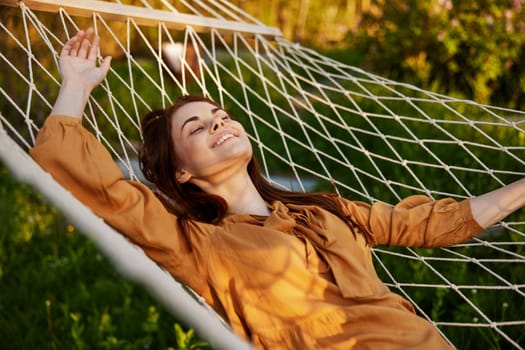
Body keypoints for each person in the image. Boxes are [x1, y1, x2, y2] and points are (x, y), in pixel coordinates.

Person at [30, 28, 525, 350]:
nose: (219, 123)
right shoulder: (196, 243)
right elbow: (102, 189)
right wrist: (74, 86)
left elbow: (430, 222)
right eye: (197, 129)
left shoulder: (322, 210)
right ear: (181, 172)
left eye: (220, 116)